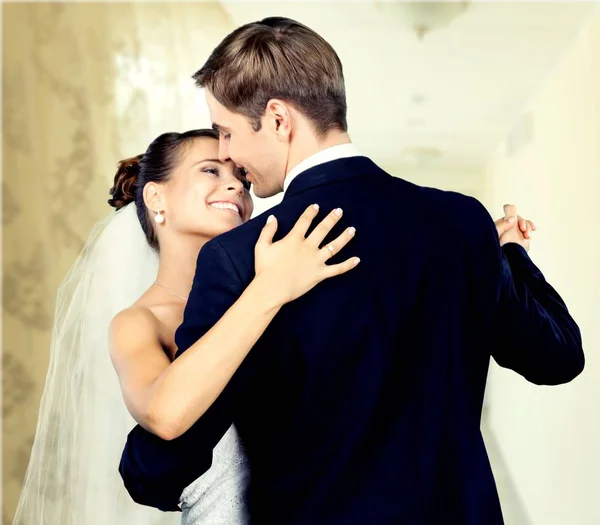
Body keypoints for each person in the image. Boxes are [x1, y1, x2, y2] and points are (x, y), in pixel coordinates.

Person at [118, 17, 584, 525]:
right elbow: (558, 358)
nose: (226, 152)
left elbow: (164, 468)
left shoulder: (245, 254)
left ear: (278, 120)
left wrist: (139, 465)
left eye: (226, 132)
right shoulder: (461, 220)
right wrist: (510, 253)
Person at [12, 128, 359, 525]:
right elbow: (166, 416)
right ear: (156, 197)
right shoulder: (139, 323)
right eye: (210, 170)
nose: (235, 184)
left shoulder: (279, 285)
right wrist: (270, 289)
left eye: (240, 178)